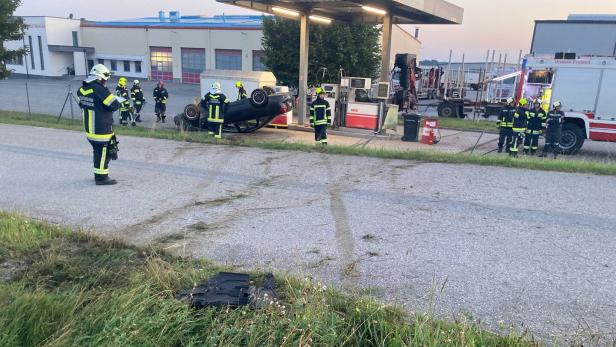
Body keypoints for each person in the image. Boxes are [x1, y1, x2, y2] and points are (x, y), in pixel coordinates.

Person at [77, 64, 120, 185]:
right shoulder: (100, 89)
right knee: (103, 154)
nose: (105, 81)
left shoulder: (82, 89)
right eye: (105, 79)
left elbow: (82, 104)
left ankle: (98, 173)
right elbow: (114, 105)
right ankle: (101, 178)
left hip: (90, 129)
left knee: (97, 152)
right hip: (101, 128)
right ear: (100, 77)